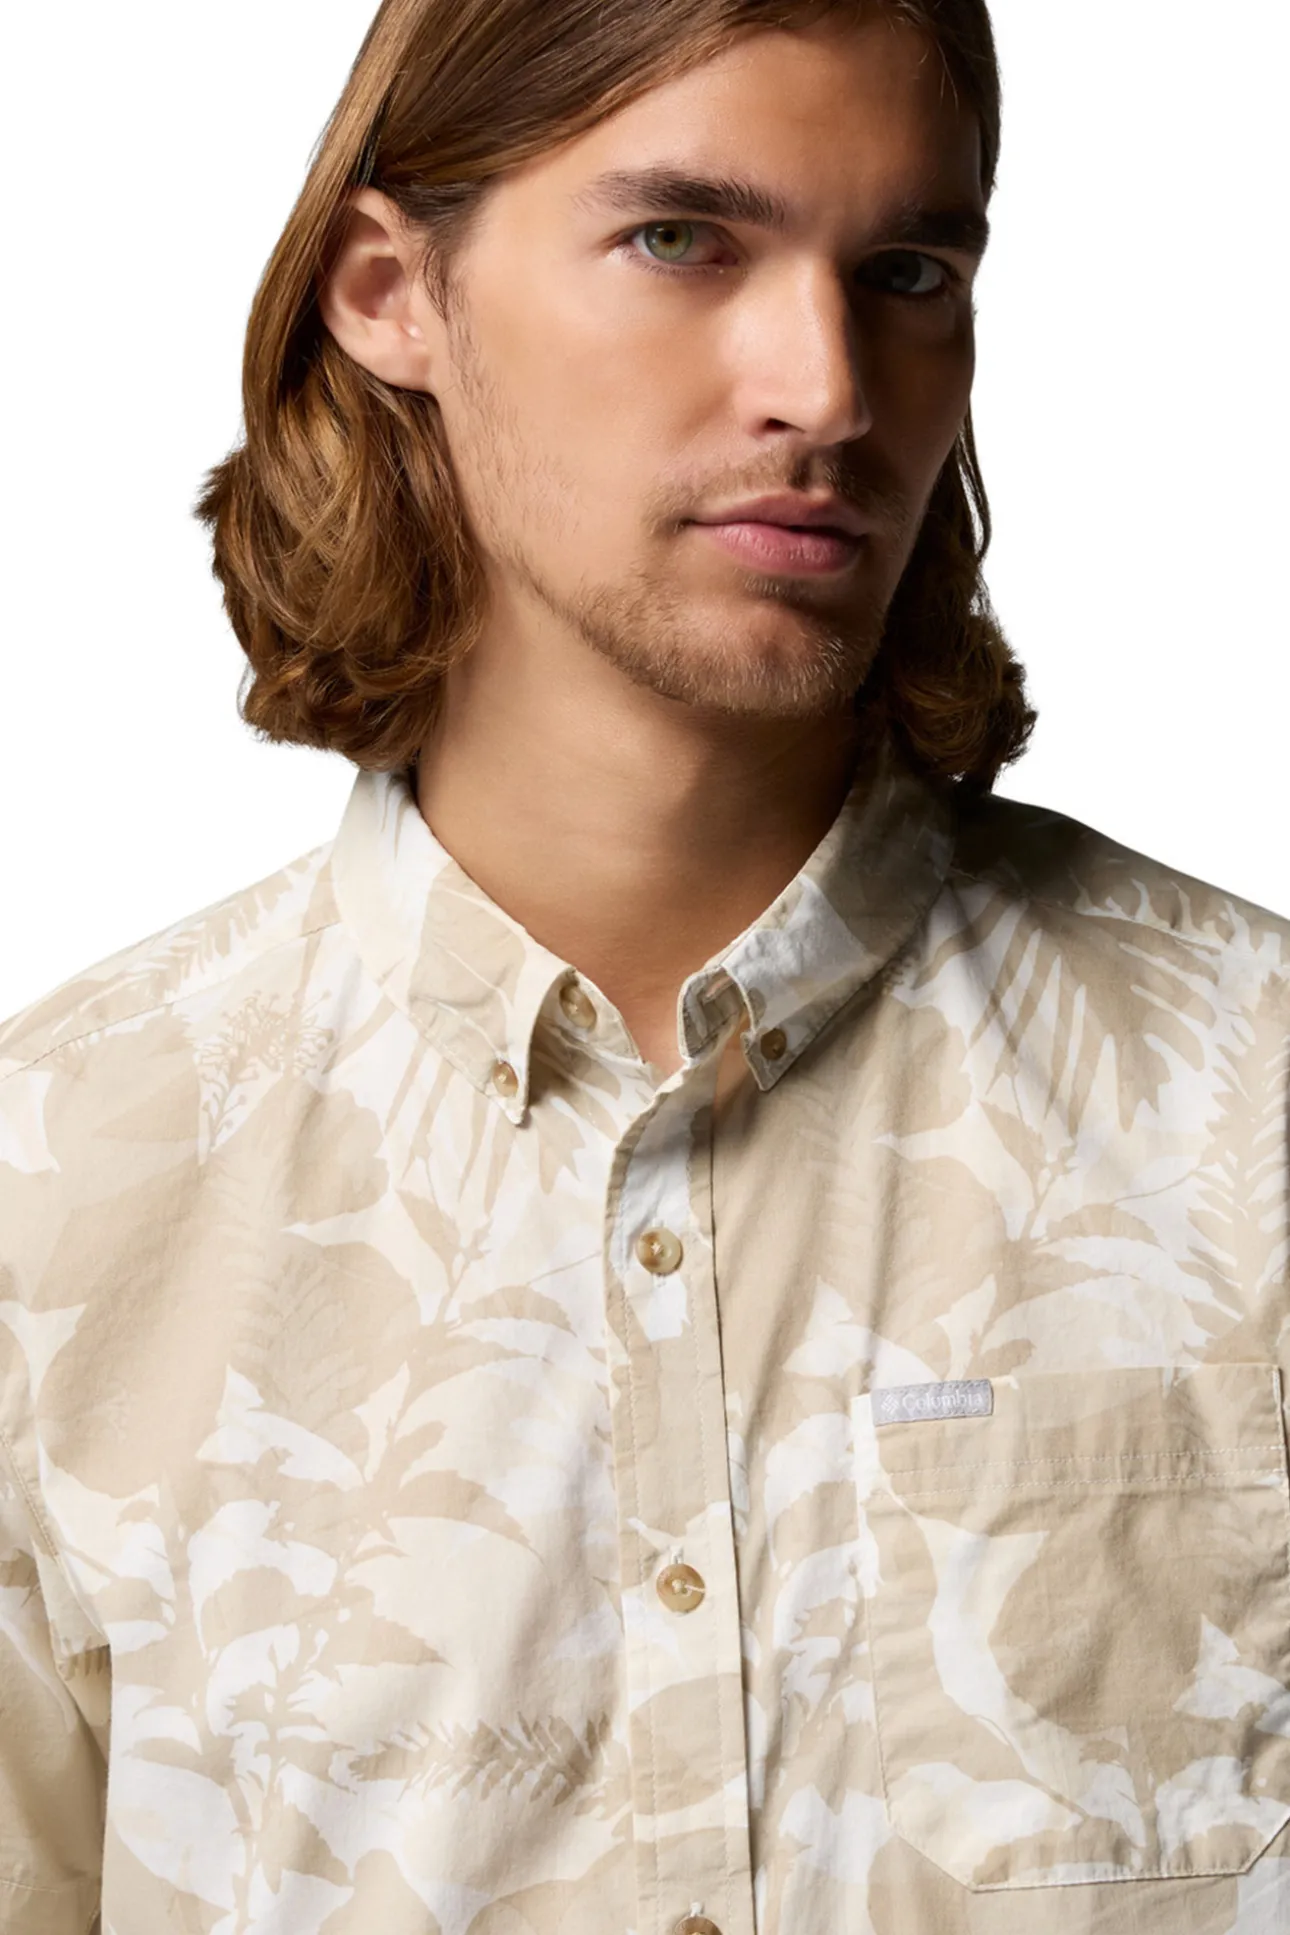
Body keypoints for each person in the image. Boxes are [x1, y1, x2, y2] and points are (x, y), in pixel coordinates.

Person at [2, 0, 1287, 1929]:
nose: (825, 388)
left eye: (907, 271)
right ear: (391, 294)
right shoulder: (50, 1189)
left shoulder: (1252, 1108)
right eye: (682, 238)